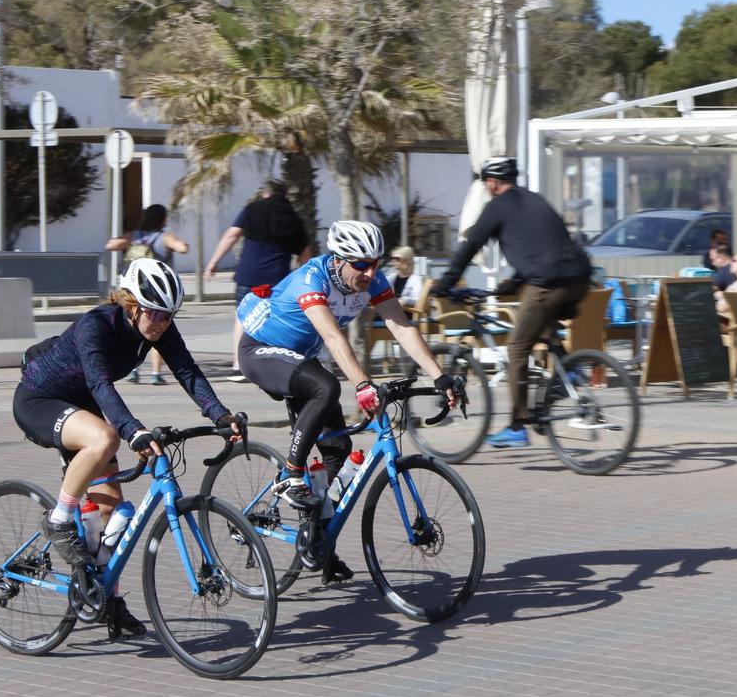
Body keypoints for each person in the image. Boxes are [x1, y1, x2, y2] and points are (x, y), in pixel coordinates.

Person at [13, 261, 245, 639]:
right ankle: (58, 518)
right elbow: (102, 385)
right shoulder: (96, 325)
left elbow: (188, 372)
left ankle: (108, 602)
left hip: (79, 405)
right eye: (155, 313)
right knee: (106, 438)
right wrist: (133, 431)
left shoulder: (159, 330)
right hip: (40, 399)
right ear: (131, 304)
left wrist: (220, 414)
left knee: (115, 513)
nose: (162, 323)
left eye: (170, 316)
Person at [239, 220, 458, 581]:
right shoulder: (312, 280)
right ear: (338, 259)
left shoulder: (373, 280)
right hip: (261, 352)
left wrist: (440, 375)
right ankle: (291, 474)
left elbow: (401, 326)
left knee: (338, 454)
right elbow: (332, 337)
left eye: (376, 262)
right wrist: (363, 385)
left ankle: (318, 547)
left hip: (301, 361)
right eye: (360, 264)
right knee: (327, 386)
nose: (370, 272)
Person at [429, 157, 592, 450]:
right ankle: (568, 371)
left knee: (517, 347)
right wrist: (513, 284)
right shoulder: (535, 200)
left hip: (549, 281)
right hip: (579, 277)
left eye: (485, 182)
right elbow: (543, 247)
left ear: (492, 182)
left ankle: (518, 426)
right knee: (542, 327)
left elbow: (470, 246)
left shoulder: (498, 206)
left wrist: (444, 284)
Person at [207, 179, 312, 375]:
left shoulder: (253, 208)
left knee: (242, 316)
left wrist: (214, 261)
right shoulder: (293, 217)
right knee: (274, 321)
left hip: (249, 274)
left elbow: (232, 235)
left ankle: (239, 365)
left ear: (266, 193)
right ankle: (273, 364)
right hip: (277, 280)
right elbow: (305, 253)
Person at [105, 205, 191, 386]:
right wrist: (183, 245)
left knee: (134, 327)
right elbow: (182, 248)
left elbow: (111, 245)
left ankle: (134, 370)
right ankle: (155, 373)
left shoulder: (133, 235)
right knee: (158, 329)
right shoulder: (164, 237)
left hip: (132, 292)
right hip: (156, 294)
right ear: (163, 219)